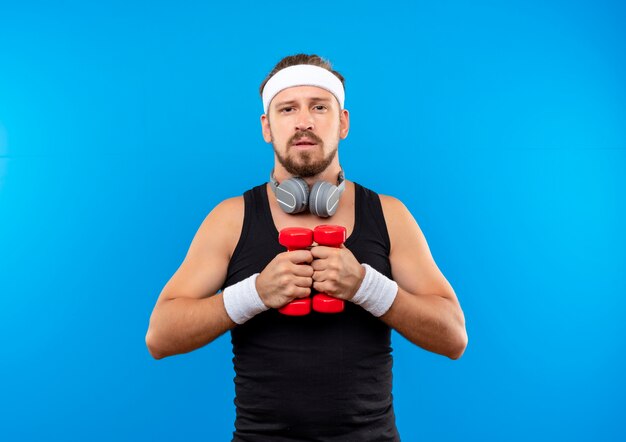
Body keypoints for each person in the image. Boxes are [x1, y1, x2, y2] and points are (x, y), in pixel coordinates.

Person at [145, 54, 468, 441]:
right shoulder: (230, 220)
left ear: (342, 122)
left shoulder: (389, 215)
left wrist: (366, 286)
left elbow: (453, 337)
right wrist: (254, 294)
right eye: (287, 109)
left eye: (319, 106)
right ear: (267, 127)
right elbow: (160, 336)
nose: (304, 121)